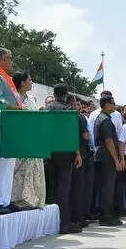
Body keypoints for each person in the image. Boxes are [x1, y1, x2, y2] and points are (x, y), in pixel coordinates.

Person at [0, 47, 22, 214]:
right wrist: (13, 107)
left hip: (11, 124)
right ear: (0, 59)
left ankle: (5, 199)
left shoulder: (5, 76)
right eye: (8, 58)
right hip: (1, 123)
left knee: (8, 164)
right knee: (0, 163)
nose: (11, 61)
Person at [46, 84, 83, 234]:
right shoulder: (69, 111)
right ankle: (65, 223)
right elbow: (72, 134)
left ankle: (51, 223)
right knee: (64, 189)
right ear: (66, 94)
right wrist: (78, 154)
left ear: (54, 94)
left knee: (51, 187)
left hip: (49, 152)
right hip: (66, 153)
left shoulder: (47, 109)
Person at [11, 71, 47, 210]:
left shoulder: (31, 98)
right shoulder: (14, 98)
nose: (31, 82)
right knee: (20, 171)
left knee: (35, 169)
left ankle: (33, 200)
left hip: (34, 141)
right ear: (22, 82)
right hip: (21, 140)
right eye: (29, 80)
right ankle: (18, 199)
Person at [94, 95, 123, 226]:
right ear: (106, 104)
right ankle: (106, 217)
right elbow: (109, 141)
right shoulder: (105, 120)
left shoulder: (104, 118)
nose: (114, 105)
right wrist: (116, 160)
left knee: (106, 187)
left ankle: (106, 214)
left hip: (104, 156)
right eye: (112, 103)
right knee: (107, 187)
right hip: (107, 157)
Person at [69, 94, 91, 226]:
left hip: (69, 155)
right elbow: (86, 136)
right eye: (77, 104)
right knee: (78, 188)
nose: (80, 106)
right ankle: (78, 217)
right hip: (80, 156)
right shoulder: (79, 117)